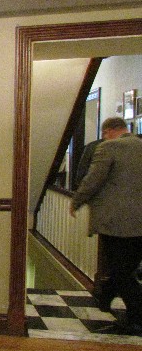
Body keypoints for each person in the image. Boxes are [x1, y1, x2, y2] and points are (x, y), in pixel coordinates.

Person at [70, 116, 142, 336]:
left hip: (116, 222)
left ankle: (136, 316)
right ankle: (107, 294)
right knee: (127, 267)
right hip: (138, 223)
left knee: (120, 270)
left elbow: (94, 179)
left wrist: (76, 201)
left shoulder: (108, 147)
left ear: (108, 131)